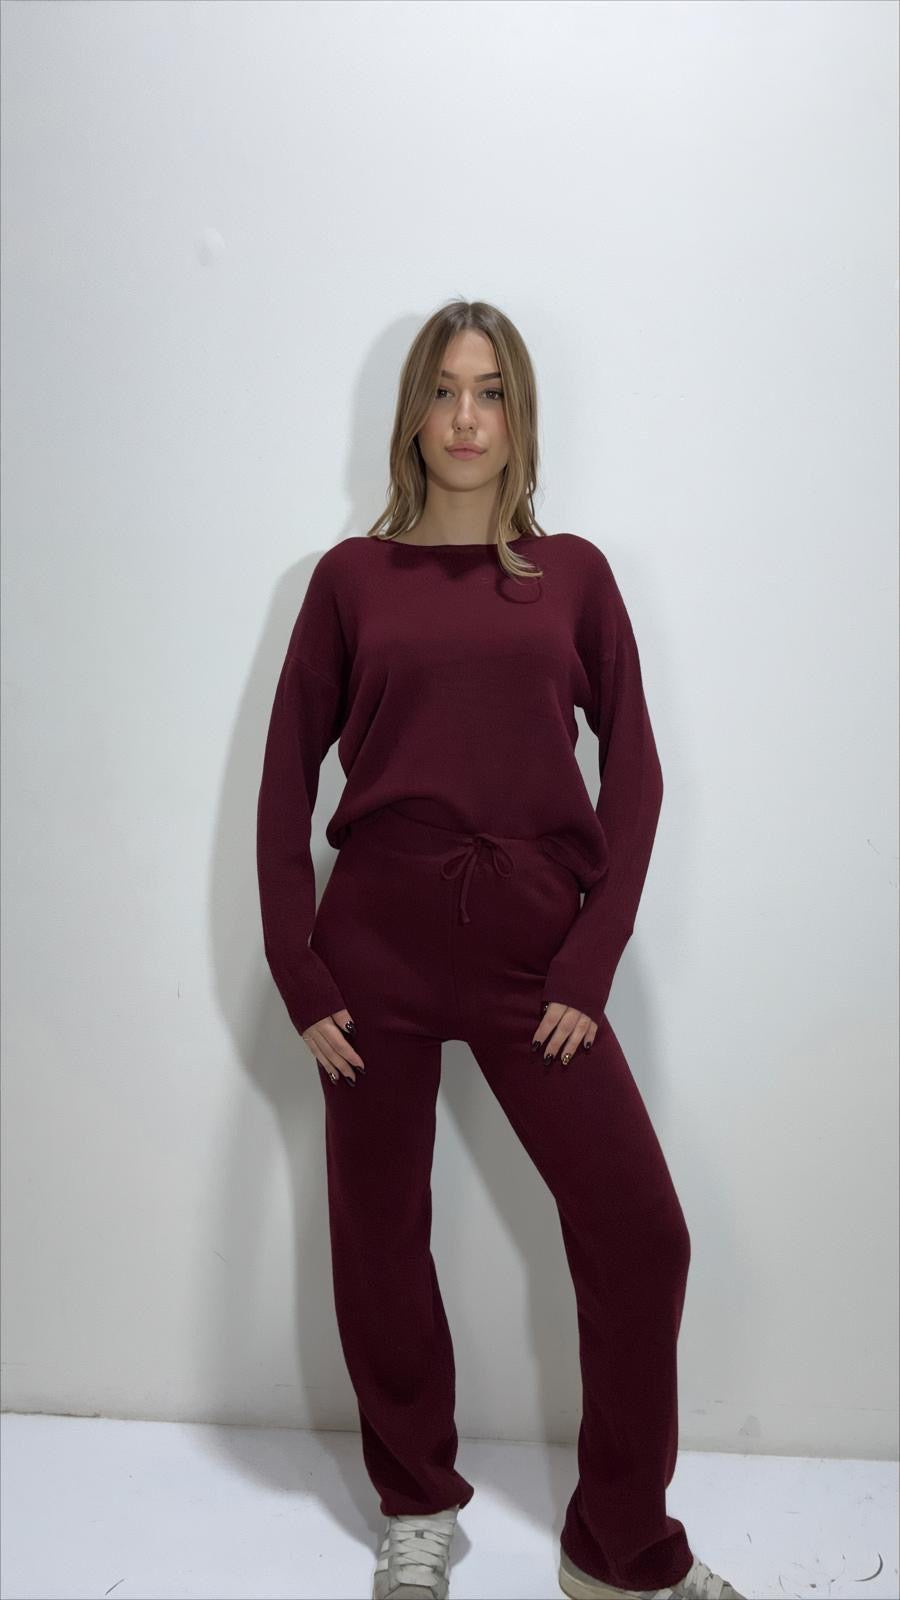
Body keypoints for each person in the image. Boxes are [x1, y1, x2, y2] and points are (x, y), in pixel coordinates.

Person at [256, 300, 748, 1600]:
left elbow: (635, 775)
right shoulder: (350, 579)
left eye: (490, 393)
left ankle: (619, 1544)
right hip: (375, 948)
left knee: (641, 1233)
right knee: (380, 1237)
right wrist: (301, 968)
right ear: (411, 415)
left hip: (534, 953)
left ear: (521, 417)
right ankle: (417, 1502)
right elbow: (284, 777)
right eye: (444, 391)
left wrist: (586, 964)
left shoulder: (572, 574)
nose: (466, 418)